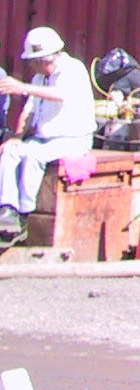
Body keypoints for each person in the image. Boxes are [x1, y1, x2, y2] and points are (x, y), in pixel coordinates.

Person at [0, 28, 96, 245]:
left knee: (34, 156)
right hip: (45, 138)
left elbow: (61, 95)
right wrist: (16, 136)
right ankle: (8, 210)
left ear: (46, 59)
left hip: (73, 139)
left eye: (35, 62)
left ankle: (25, 213)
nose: (33, 67)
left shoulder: (74, 70)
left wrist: (24, 88)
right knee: (10, 152)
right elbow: (29, 111)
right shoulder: (39, 78)